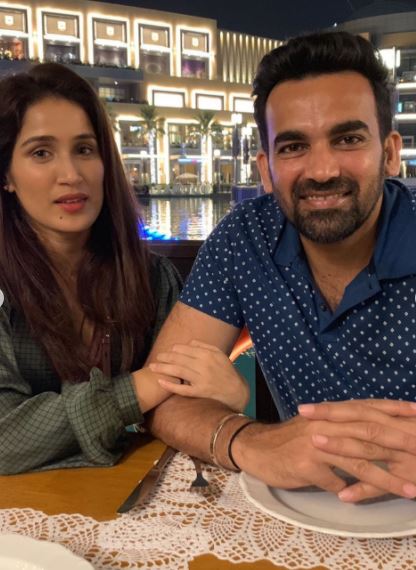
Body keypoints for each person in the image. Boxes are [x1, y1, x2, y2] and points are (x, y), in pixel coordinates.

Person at [144, 31, 416, 504]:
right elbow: (164, 393)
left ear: (390, 153)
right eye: (293, 147)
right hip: (306, 509)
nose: (322, 170)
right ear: (266, 169)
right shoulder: (244, 240)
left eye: (348, 139)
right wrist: (250, 441)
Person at [0, 63, 248, 475]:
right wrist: (139, 388)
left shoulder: (151, 278)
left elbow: (183, 400)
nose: (71, 175)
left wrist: (225, 396)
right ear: (6, 174)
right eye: (41, 153)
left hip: (129, 487)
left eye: (85, 149)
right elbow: (6, 440)